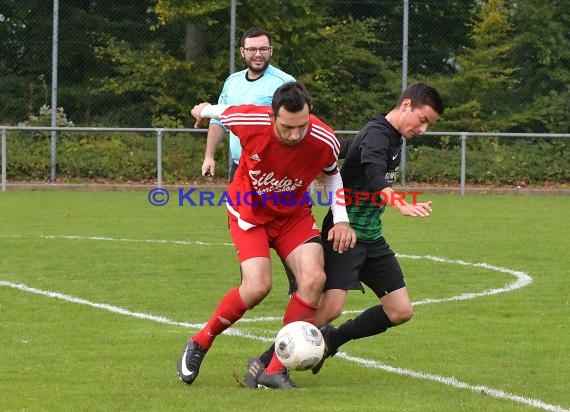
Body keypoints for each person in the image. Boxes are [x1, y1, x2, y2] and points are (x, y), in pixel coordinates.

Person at [245, 82, 445, 386]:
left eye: (429, 123)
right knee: (330, 308)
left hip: (372, 237)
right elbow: (375, 174)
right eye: (423, 120)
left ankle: (332, 341)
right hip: (345, 236)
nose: (424, 128)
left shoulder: (387, 135)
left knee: (401, 310)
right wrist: (400, 203)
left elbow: (342, 152)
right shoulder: (379, 135)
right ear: (406, 105)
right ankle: (266, 361)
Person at [177, 81, 357, 389]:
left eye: (302, 126)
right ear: (272, 117)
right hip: (249, 212)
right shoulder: (250, 120)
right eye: (287, 127)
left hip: (293, 215)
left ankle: (272, 370)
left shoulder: (323, 137)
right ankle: (201, 340)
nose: (296, 134)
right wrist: (201, 111)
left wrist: (341, 219)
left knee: (314, 280)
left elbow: (331, 174)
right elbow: (217, 111)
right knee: (258, 287)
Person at [201, 26, 298, 295]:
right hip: (239, 168)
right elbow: (218, 119)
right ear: (243, 52)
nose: (258, 54)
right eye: (252, 49)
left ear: (271, 51)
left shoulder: (284, 83)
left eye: (263, 49)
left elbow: (297, 125)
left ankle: (298, 284)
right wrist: (209, 156)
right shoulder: (232, 82)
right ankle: (250, 285)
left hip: (273, 170)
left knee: (282, 224)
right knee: (243, 223)